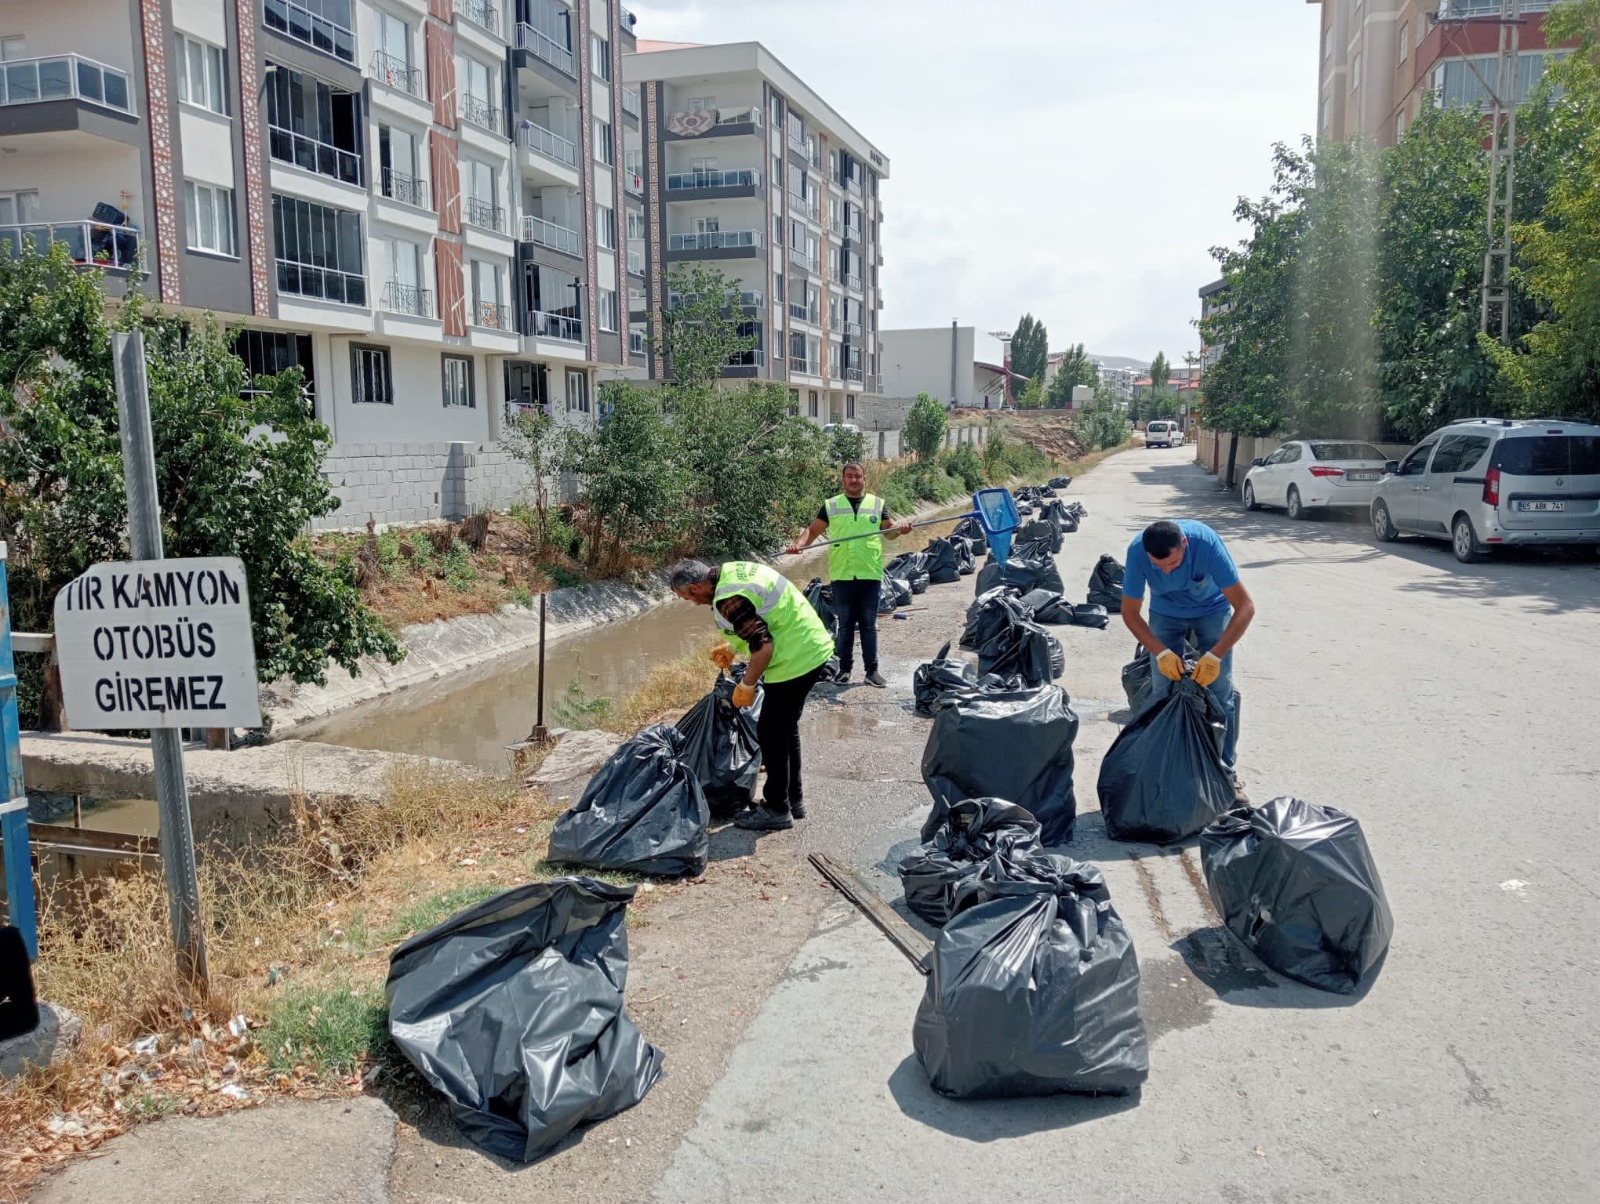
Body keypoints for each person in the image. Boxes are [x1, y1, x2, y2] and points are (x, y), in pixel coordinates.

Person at [670, 559, 835, 831]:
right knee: (784, 728)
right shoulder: (731, 571)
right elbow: (756, 618)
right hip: (810, 645)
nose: (692, 601)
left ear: (696, 586)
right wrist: (733, 646)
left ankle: (777, 809)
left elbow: (763, 649)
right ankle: (793, 800)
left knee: (770, 732)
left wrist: (746, 685)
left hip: (796, 658)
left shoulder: (728, 599)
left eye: (688, 596)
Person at [1119, 519, 1254, 795]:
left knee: (1220, 692)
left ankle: (1226, 772)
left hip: (1212, 610)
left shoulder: (1206, 544)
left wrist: (1215, 656)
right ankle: (1166, 768)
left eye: (1174, 564)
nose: (1167, 572)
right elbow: (1130, 612)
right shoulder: (1137, 552)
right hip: (1165, 613)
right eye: (1159, 567)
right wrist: (1161, 652)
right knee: (1162, 692)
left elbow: (1245, 607)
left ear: (1184, 545)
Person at [784, 462, 912, 686]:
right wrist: (799, 545)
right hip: (842, 575)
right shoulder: (831, 505)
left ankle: (872, 671)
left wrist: (900, 529)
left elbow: (888, 533)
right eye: (849, 476)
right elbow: (813, 530)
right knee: (844, 625)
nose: (854, 480)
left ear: (864, 478)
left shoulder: (876, 503)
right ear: (843, 480)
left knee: (868, 625)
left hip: (869, 574)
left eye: (858, 476)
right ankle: (844, 670)